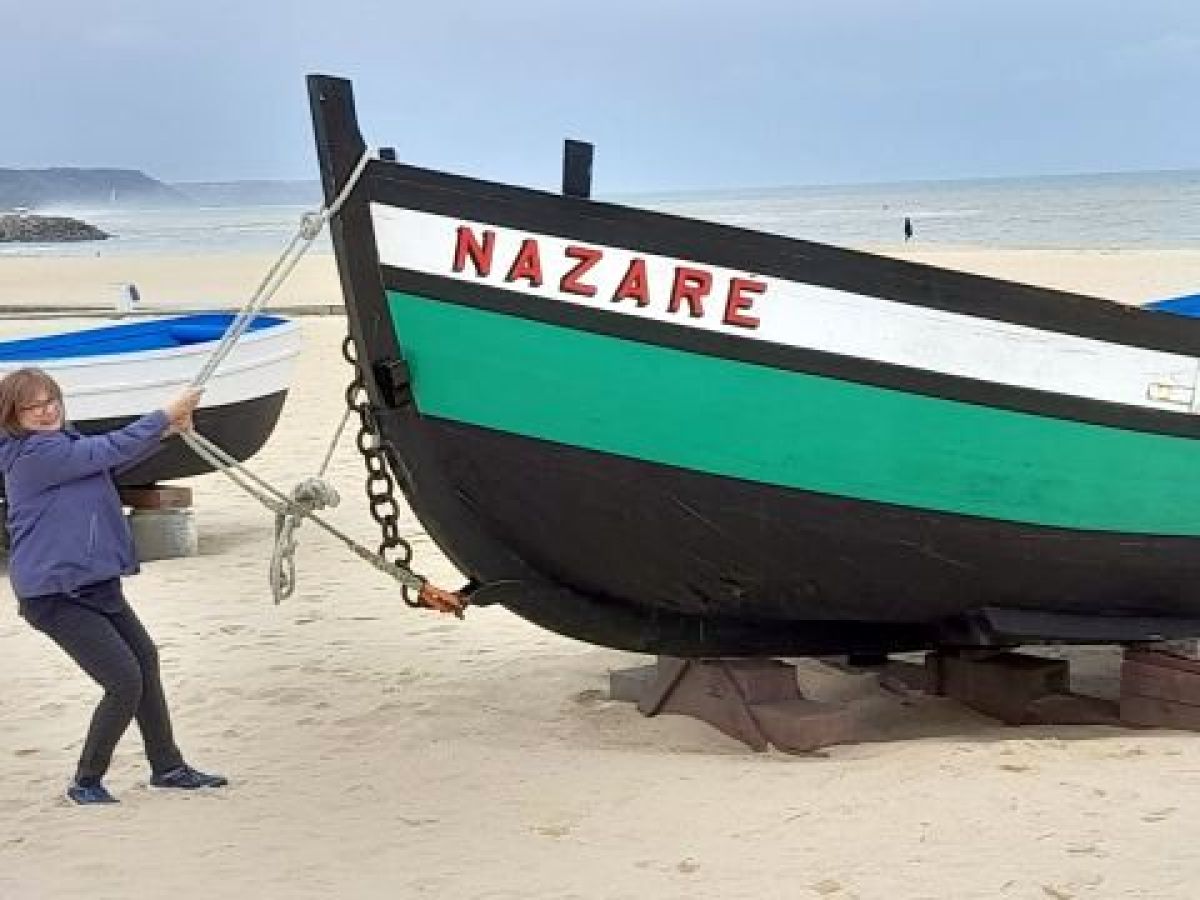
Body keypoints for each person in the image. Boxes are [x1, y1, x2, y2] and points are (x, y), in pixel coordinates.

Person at [0, 367, 227, 805]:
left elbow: (111, 456)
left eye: (52, 401)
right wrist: (164, 415)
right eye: (33, 406)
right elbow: (107, 448)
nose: (46, 412)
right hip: (54, 594)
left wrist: (168, 431)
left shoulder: (66, 446)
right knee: (124, 680)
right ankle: (85, 781)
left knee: (145, 660)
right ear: (13, 415)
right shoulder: (32, 455)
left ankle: (168, 767)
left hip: (94, 583)